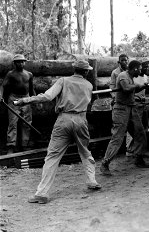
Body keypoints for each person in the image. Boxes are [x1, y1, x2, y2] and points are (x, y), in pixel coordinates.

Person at [14, 60, 101, 204]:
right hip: (81, 120)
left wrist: (25, 100)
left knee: (53, 156)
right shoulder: (89, 85)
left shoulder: (63, 81)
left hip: (64, 119)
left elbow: (47, 97)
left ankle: (42, 193)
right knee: (85, 151)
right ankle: (92, 181)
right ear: (85, 72)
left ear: (75, 70)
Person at [100, 60, 149, 176]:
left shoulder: (131, 77)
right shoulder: (123, 76)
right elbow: (127, 88)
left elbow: (133, 89)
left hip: (131, 108)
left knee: (140, 133)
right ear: (135, 69)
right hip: (121, 109)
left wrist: (142, 87)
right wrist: (138, 85)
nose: (141, 71)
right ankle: (105, 163)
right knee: (117, 137)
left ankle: (138, 158)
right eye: (140, 69)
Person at [0, 54, 35, 154]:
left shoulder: (29, 74)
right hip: (14, 98)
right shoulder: (11, 74)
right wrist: (1, 95)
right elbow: (3, 86)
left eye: (22, 61)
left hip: (26, 98)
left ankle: (25, 145)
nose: (21, 63)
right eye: (19, 62)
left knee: (27, 123)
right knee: (13, 123)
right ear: (15, 63)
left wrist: (35, 99)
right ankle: (11, 146)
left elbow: (31, 88)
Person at [126, 58, 149, 157]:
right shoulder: (133, 77)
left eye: (147, 67)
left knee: (144, 127)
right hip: (135, 103)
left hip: (143, 103)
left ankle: (140, 150)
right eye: (144, 67)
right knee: (135, 128)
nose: (146, 68)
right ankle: (130, 149)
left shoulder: (145, 77)